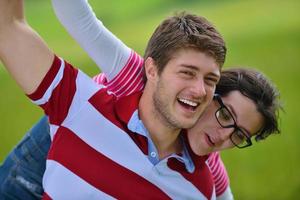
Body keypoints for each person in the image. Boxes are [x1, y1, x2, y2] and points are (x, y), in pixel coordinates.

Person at [0, 1, 281, 200]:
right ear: (152, 70)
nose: (224, 136)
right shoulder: (123, 79)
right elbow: (56, 22)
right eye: (226, 116)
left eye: (240, 134)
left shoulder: (204, 172)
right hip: (68, 133)